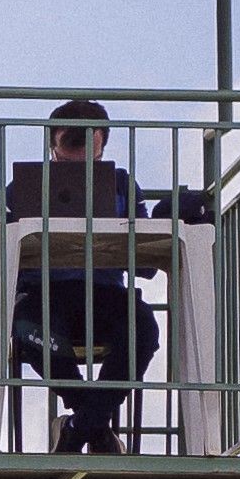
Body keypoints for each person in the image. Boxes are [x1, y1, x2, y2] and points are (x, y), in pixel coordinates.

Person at [10, 97, 158, 456]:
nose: (77, 146)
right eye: (69, 139)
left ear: (103, 143)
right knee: (29, 333)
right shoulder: (24, 188)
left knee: (143, 329)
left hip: (105, 295)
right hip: (44, 297)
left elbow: (148, 263)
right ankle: (94, 424)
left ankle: (79, 427)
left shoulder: (122, 185)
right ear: (52, 144)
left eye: (86, 139)